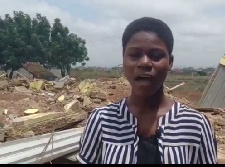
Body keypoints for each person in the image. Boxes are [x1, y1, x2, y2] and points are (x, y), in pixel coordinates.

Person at [77, 17, 217, 164]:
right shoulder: (101, 121)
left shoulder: (196, 125)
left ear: (170, 62)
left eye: (156, 56)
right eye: (135, 55)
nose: (144, 63)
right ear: (123, 59)